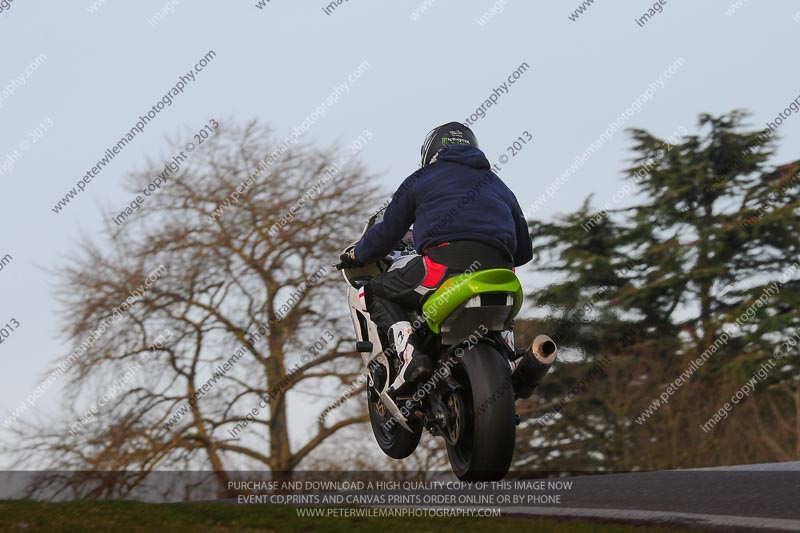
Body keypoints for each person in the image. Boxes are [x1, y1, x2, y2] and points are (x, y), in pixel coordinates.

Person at [339, 122, 533, 395]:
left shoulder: (421, 179)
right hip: (502, 273)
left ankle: (412, 357)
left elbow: (386, 233)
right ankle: (510, 362)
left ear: (430, 152)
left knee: (375, 291)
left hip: (442, 268)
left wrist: (358, 254)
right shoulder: (500, 186)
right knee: (501, 310)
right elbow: (524, 252)